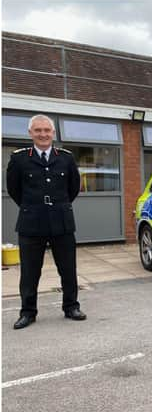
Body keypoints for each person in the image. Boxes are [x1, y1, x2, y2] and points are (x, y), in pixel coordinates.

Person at [6, 114, 86, 329]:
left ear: (53, 133)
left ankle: (71, 307)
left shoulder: (66, 157)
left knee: (68, 269)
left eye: (47, 130)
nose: (43, 134)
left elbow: (73, 188)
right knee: (30, 271)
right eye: (38, 130)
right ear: (30, 133)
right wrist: (32, 207)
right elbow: (14, 190)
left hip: (62, 221)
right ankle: (28, 312)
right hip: (31, 222)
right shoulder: (19, 158)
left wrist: (58, 206)